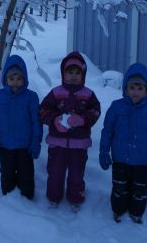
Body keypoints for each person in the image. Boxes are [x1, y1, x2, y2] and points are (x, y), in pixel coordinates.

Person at [99, 62, 147, 224]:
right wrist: (103, 151)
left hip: (143, 162)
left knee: (140, 189)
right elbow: (107, 130)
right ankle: (118, 210)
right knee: (119, 187)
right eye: (132, 87)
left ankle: (136, 212)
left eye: (140, 88)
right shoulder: (116, 107)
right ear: (125, 88)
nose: (135, 92)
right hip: (120, 159)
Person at [39, 51, 101, 212]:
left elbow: (95, 111)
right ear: (63, 73)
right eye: (69, 72)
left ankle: (75, 197)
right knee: (55, 171)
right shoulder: (56, 93)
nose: (73, 76)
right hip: (57, 143)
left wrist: (83, 119)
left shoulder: (88, 95)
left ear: (83, 74)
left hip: (79, 145)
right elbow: (43, 110)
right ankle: (54, 196)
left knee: (76, 173)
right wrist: (54, 120)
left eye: (77, 72)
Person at [0, 54, 42, 200]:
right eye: (11, 79)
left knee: (26, 175)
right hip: (5, 145)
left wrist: (36, 142)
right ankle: (7, 200)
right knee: (7, 174)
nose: (15, 82)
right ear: (6, 79)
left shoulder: (31, 97)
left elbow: (36, 121)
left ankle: (27, 199)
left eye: (19, 78)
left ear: (24, 79)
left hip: (25, 146)